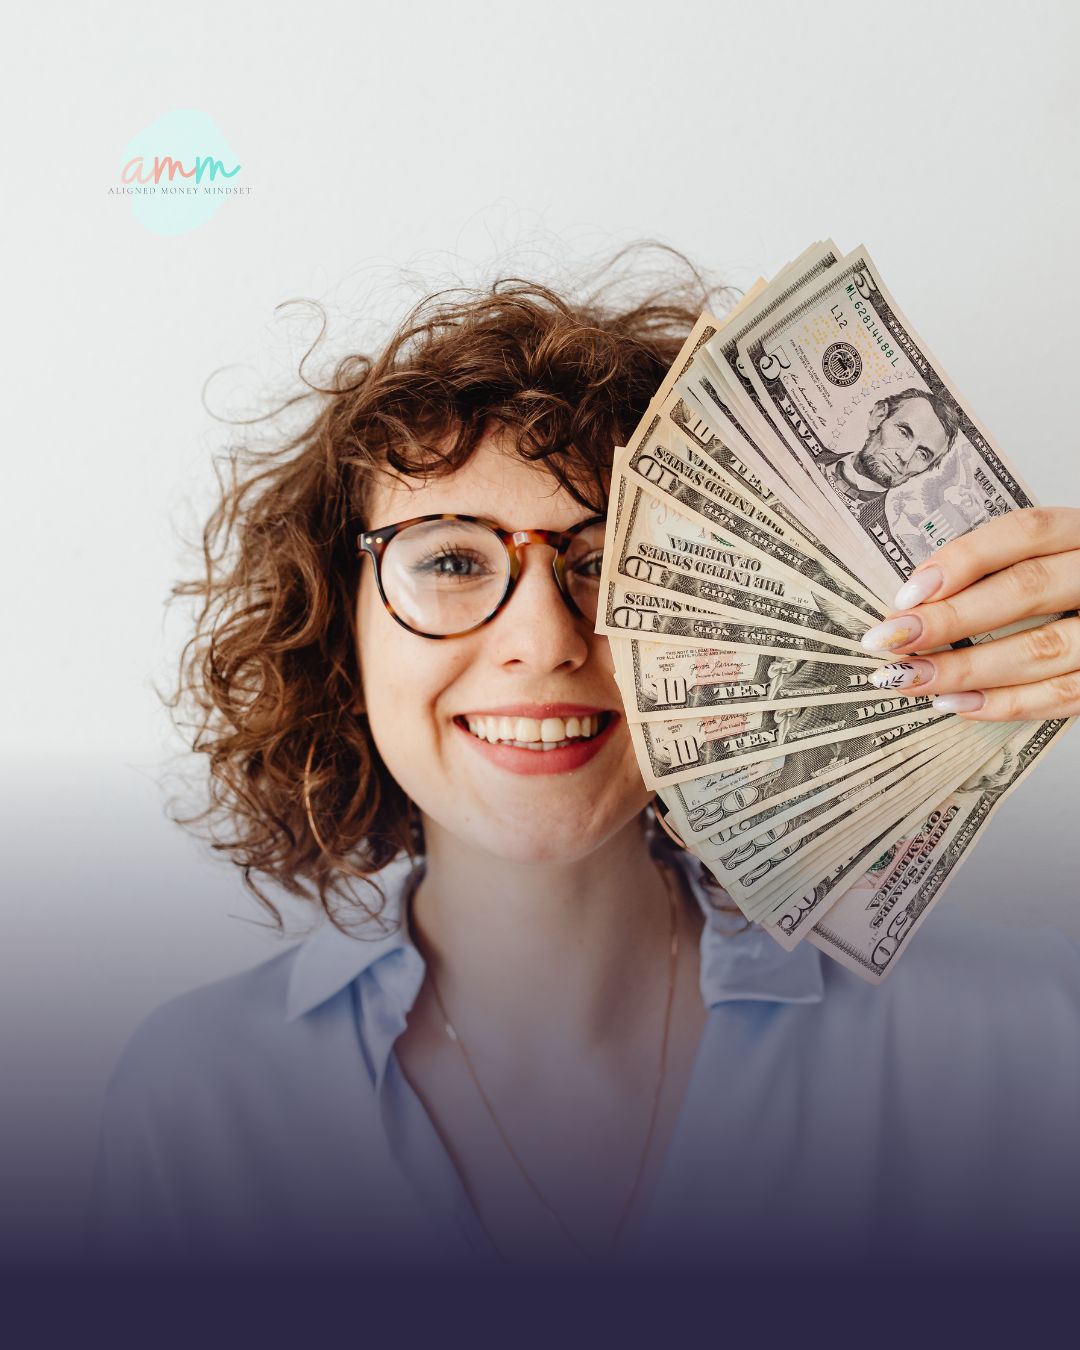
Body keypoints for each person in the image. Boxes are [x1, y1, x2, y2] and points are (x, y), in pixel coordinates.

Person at [85, 249, 1080, 1278]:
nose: (548, 641)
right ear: (341, 640)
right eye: (453, 560)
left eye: (605, 564)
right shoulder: (191, 1106)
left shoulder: (1022, 1038)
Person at [818, 387, 960, 535]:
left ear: (927, 469)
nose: (905, 456)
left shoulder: (877, 541)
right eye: (903, 433)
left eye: (923, 454)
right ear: (878, 416)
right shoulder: (813, 454)